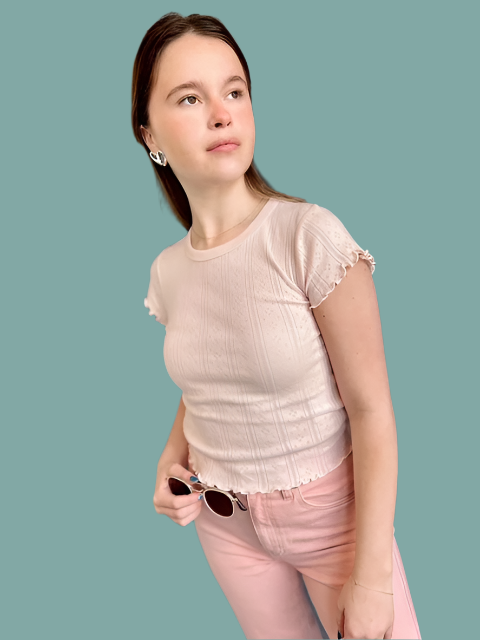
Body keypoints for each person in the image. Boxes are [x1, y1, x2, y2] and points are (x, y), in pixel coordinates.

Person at [132, 12, 422, 640]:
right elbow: (210, 375)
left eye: (234, 91)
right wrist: (171, 455)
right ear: (149, 133)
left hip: (333, 521)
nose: (222, 114)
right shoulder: (167, 272)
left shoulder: (308, 237)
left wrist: (372, 579)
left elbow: (372, 410)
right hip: (226, 526)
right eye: (190, 98)